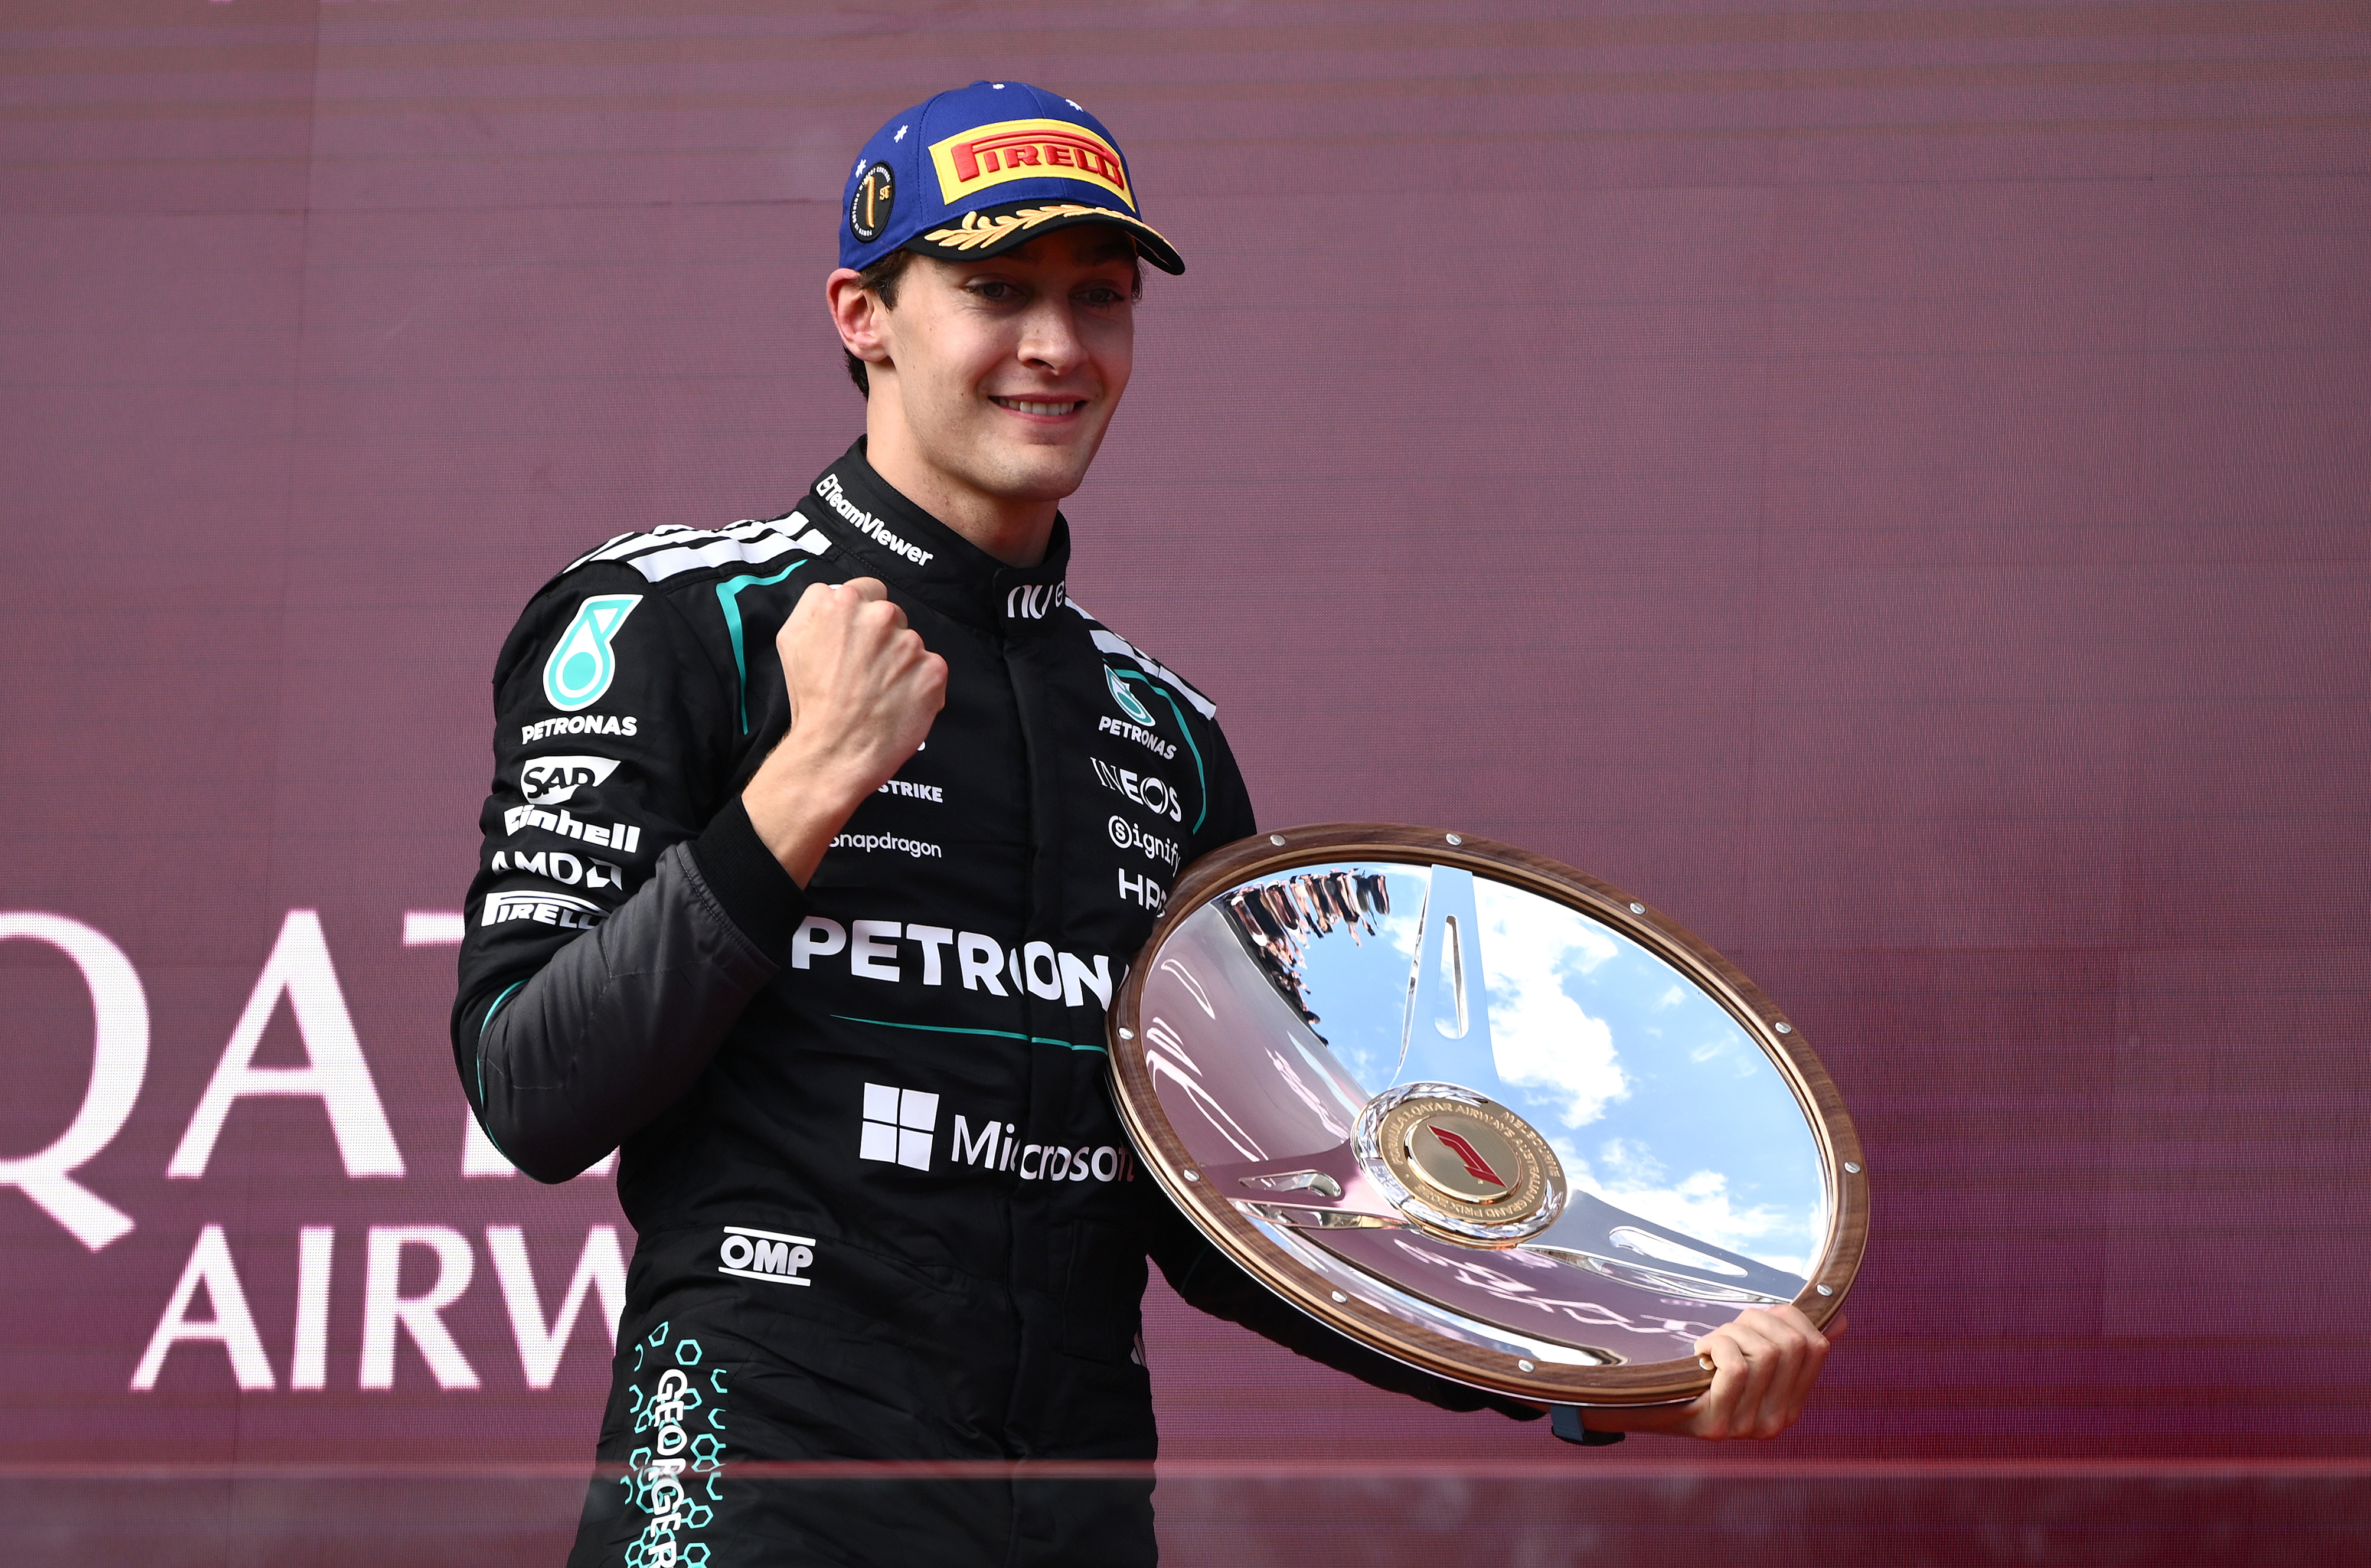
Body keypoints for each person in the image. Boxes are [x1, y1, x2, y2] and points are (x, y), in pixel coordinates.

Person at [452, 80, 1837, 1568]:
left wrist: (1595, 1378)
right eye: (995, 290)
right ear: (864, 312)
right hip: (757, 1473)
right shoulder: (679, 615)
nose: (1056, 347)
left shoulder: (1163, 730)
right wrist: (803, 784)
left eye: (1097, 299)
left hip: (1077, 1501)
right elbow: (534, 1088)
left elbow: (1248, 1216)